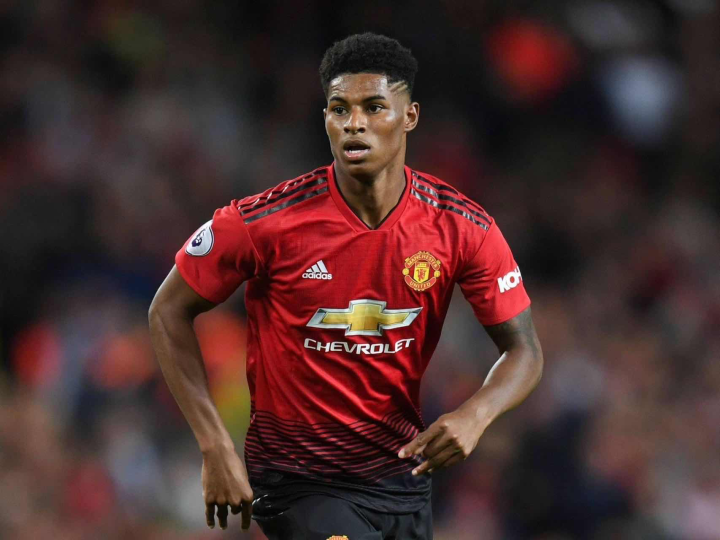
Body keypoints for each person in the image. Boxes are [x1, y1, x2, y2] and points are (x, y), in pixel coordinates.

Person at [149, 32, 543, 539]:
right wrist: (214, 445)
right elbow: (167, 311)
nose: (354, 122)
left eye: (373, 107)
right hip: (297, 482)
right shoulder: (263, 224)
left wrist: (476, 414)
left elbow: (524, 349)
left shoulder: (462, 228)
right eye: (340, 109)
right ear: (326, 120)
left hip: (402, 479)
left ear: (409, 117)